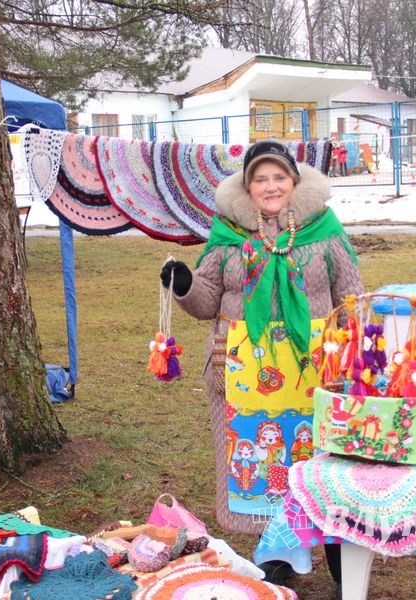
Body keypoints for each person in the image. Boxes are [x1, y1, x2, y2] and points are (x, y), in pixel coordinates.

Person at [160, 141, 363, 586]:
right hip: (243, 372)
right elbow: (208, 297)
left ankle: (338, 560)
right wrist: (186, 284)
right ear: (247, 187)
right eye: (260, 178)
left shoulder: (324, 231)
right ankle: (279, 561)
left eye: (278, 177)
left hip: (314, 372)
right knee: (262, 462)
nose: (270, 186)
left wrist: (353, 352)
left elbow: (350, 295)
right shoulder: (229, 235)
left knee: (321, 466)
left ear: (294, 182)